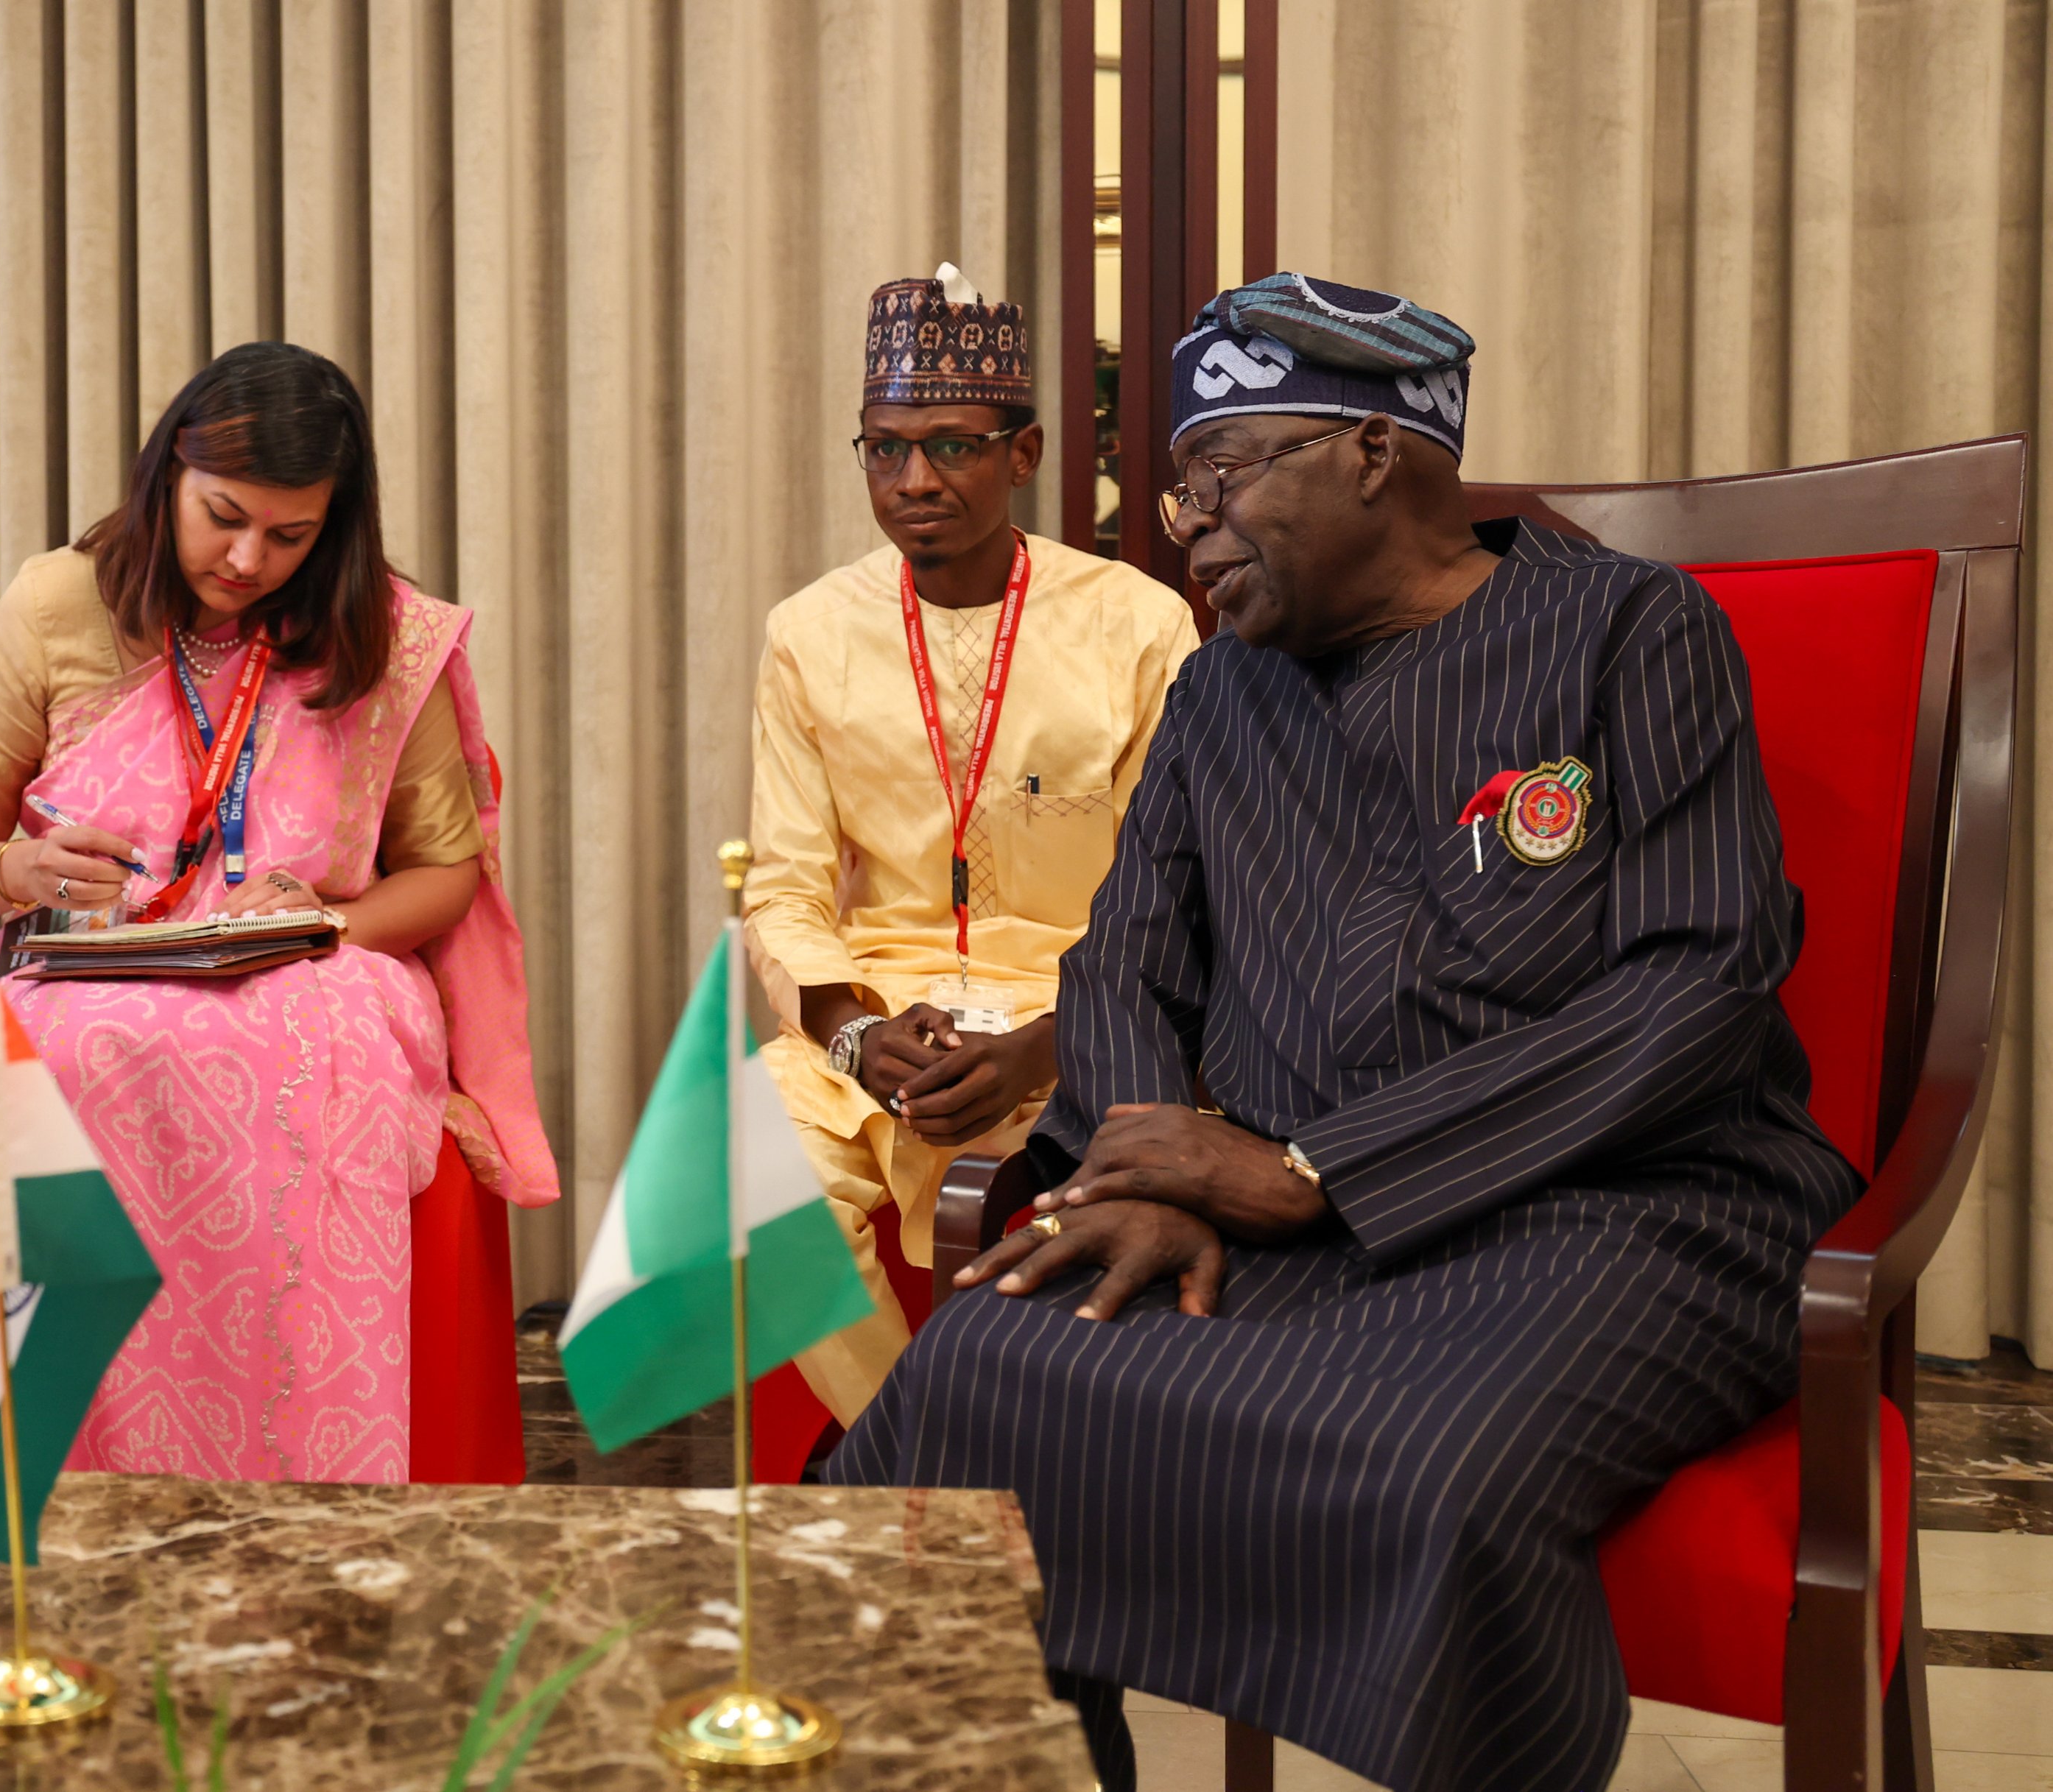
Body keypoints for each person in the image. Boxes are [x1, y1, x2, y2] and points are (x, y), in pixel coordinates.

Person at [828, 273, 1862, 1792]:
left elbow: (1695, 986)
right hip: (1266, 1213)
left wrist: (1315, 1164)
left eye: (1219, 476)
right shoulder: (1220, 689)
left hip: (1617, 1205)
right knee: (966, 1386)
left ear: (1375, 454)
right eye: (1176, 490)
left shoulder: (1628, 631)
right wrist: (1144, 1168)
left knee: (1432, 1482)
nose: (1186, 522)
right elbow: (1125, 962)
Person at [0, 340, 557, 1484]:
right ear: (166, 475)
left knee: (316, 1040)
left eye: (292, 536)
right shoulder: (56, 606)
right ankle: (89, 1485)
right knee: (68, 1051)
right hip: (92, 969)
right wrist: (20, 868)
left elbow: (445, 871)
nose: (248, 559)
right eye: (223, 517)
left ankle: (315, 1469)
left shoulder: (384, 632)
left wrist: (332, 926)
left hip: (316, 962)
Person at [745, 265, 1194, 1424]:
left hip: (1080, 1004)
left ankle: (932, 1465)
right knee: (736, 1162)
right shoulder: (809, 634)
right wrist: (852, 1036)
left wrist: (1054, 1045)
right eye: (885, 449)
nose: (915, 481)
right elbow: (787, 896)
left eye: (952, 446)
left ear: (1026, 451)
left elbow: (1183, 898)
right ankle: (920, 1447)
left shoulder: (1139, 625)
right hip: (888, 1010)